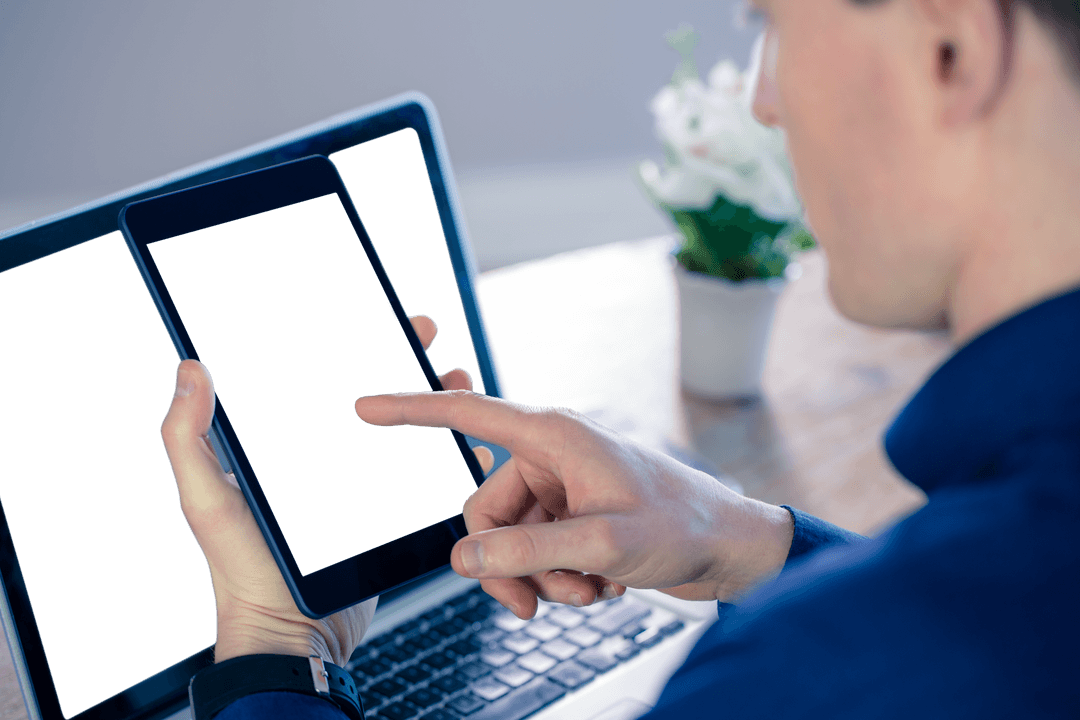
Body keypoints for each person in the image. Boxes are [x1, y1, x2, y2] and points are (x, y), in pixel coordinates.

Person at [165, 0, 1080, 717]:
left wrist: (273, 648)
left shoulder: (793, 678)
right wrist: (747, 544)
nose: (765, 102)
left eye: (775, 21)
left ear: (951, 50)